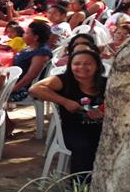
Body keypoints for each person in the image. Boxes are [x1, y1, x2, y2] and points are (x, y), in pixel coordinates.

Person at [30, 49, 106, 179]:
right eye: (77, 63)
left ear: (97, 65)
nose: (82, 67)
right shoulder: (63, 80)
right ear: (70, 66)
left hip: (103, 129)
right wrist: (64, 102)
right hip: (74, 130)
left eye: (88, 63)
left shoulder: (106, 82)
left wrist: (104, 111)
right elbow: (35, 89)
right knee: (85, 147)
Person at [9, 21, 53, 102]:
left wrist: (11, 90)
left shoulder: (41, 53)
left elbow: (30, 76)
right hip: (13, 80)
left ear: (35, 37)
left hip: (22, 88)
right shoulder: (31, 47)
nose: (23, 35)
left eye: (26, 33)